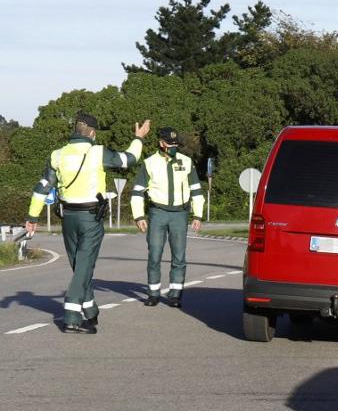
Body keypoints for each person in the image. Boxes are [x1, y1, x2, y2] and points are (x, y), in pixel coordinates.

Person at [24, 112, 150, 334]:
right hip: (90, 217)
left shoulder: (57, 155)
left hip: (68, 218)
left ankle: (90, 310)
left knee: (78, 266)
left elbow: (42, 187)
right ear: (92, 133)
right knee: (84, 266)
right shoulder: (98, 152)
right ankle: (72, 317)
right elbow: (129, 159)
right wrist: (138, 138)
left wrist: (32, 218)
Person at [131, 126, 204, 308]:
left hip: (180, 213)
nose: (173, 147)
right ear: (161, 143)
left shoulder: (186, 162)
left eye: (176, 144)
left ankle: (175, 295)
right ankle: (153, 293)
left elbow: (196, 190)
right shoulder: (150, 163)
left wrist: (198, 215)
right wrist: (139, 216)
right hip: (158, 213)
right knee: (154, 254)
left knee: (179, 256)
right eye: (169, 144)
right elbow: (138, 192)